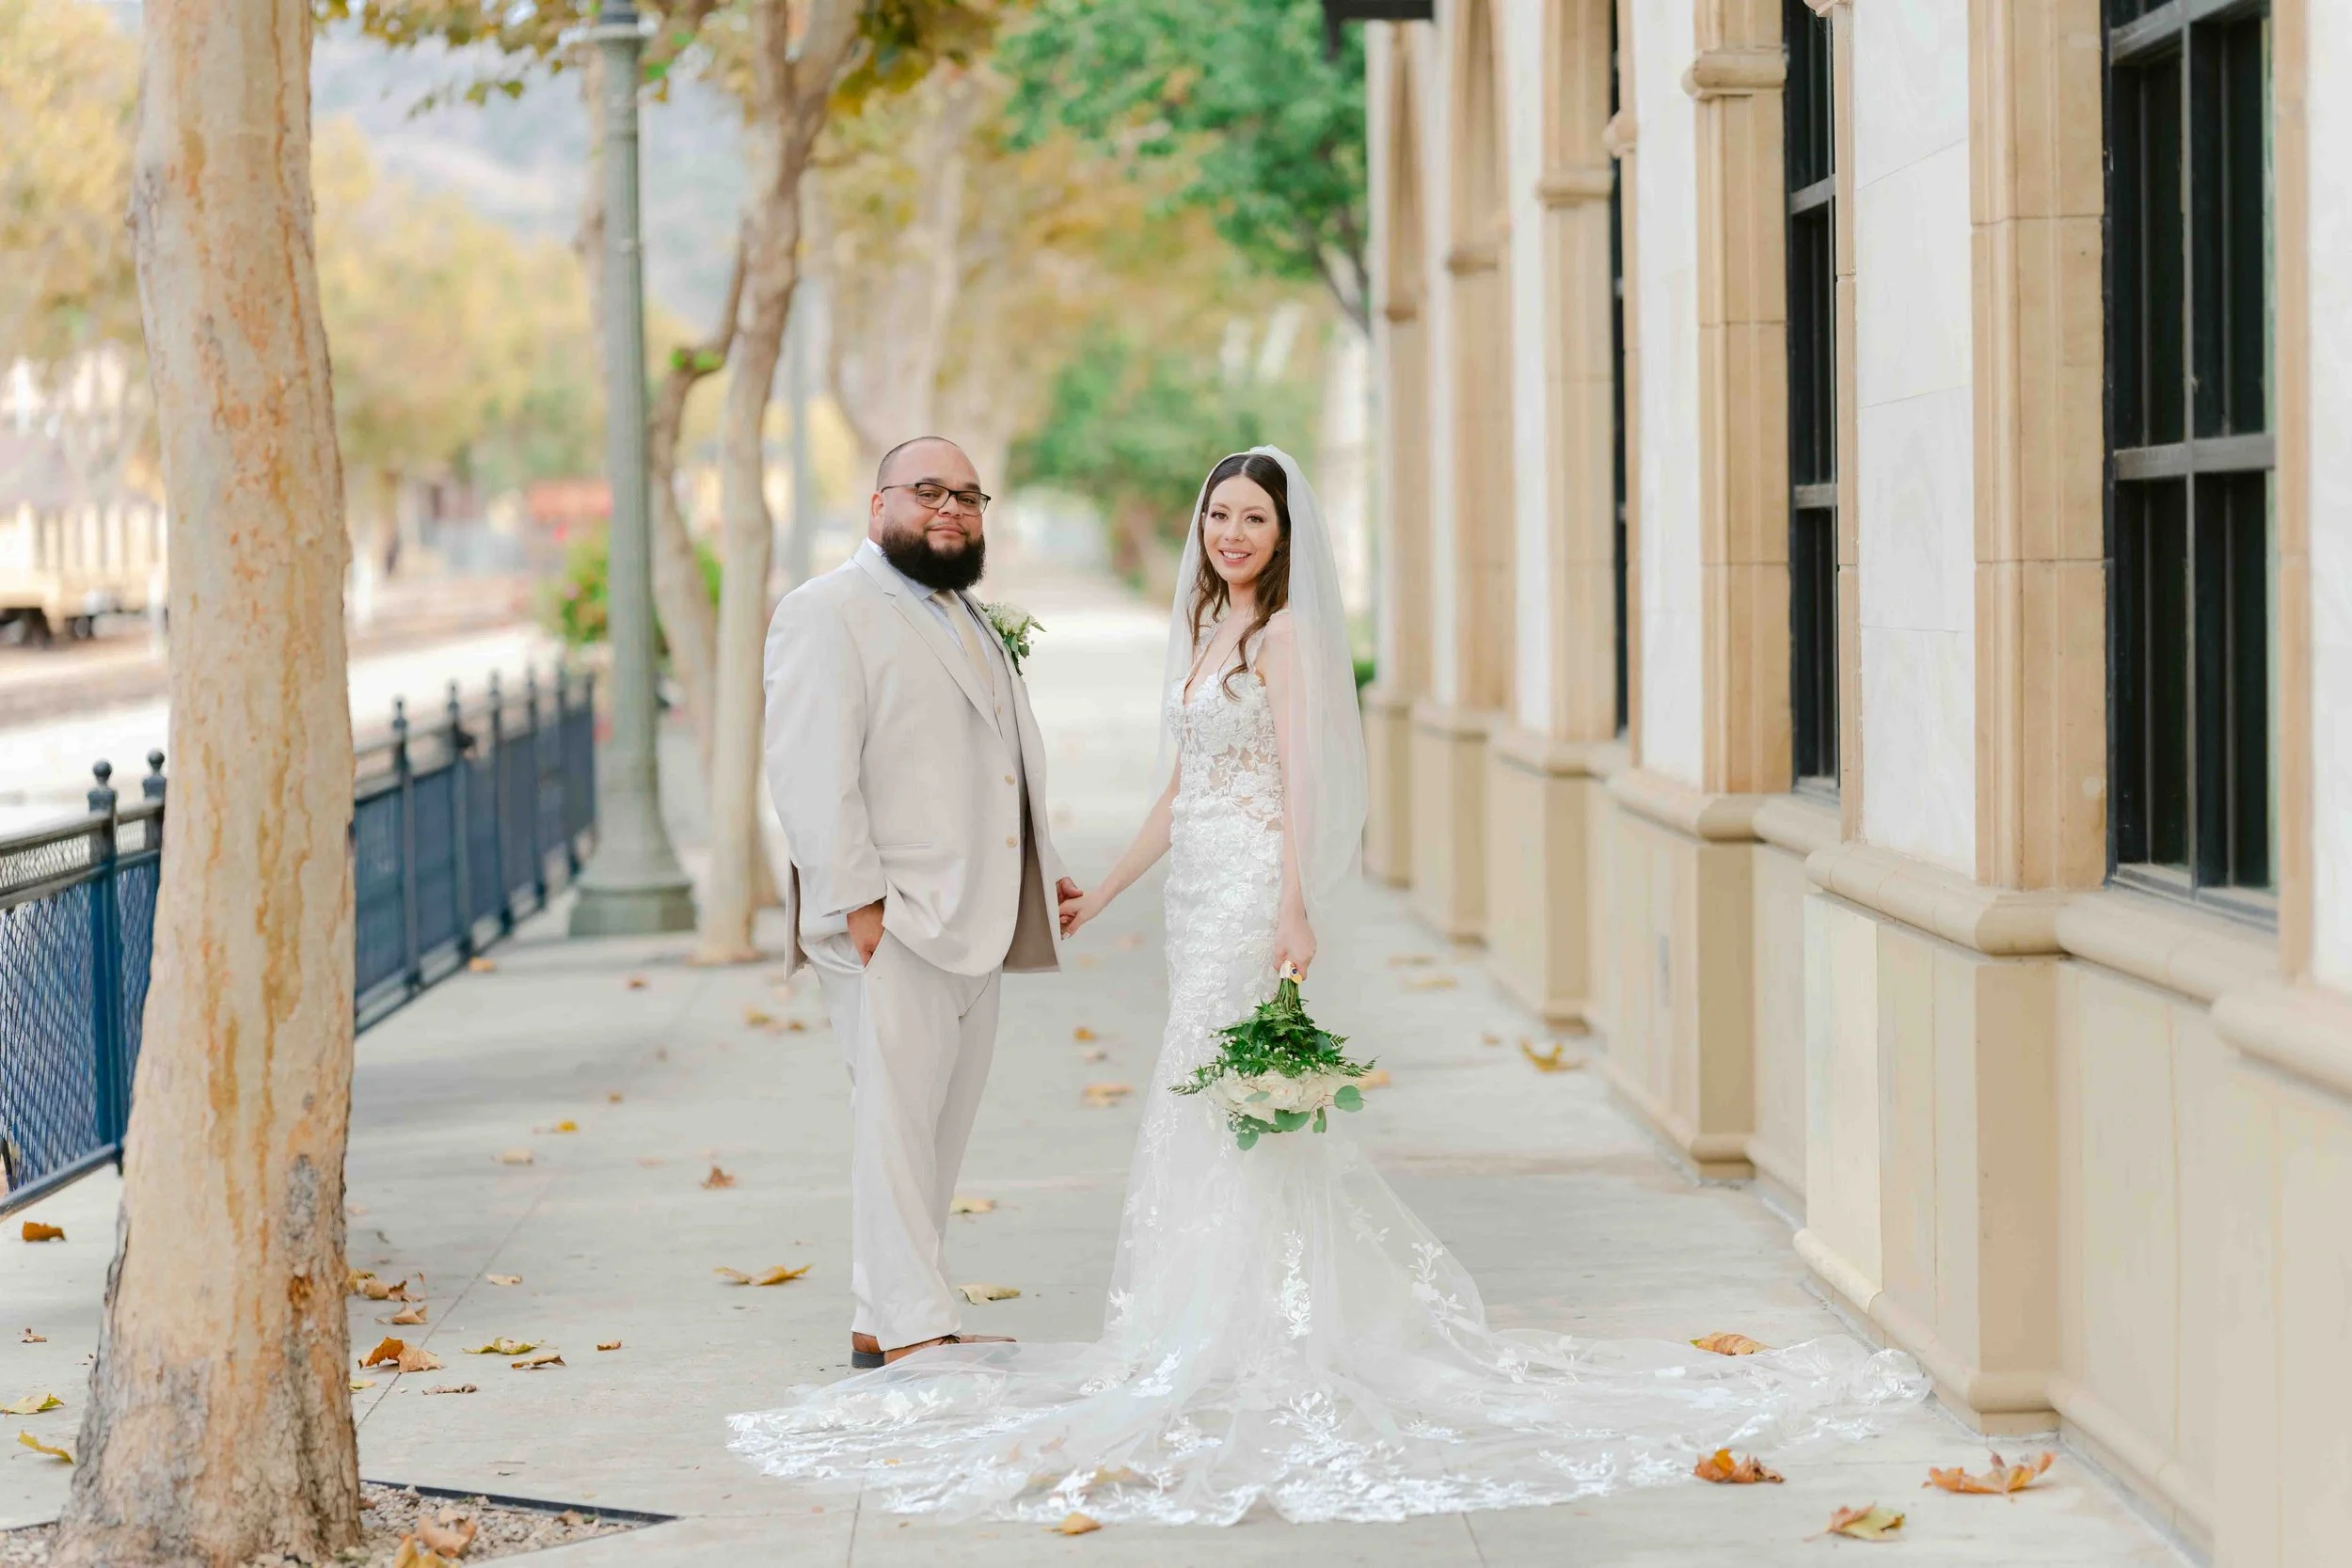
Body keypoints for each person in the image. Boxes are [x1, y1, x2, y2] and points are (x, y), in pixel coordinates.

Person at [733, 447, 1922, 1524]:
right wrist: (1103, 890)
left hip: (1253, 897)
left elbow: (1298, 780)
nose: (1231, 533)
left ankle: (1251, 1319)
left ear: (1286, 532)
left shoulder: (1287, 637)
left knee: (1228, 1103)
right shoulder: (1194, 631)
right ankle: (1113, 1316)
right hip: (1181, 897)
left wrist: (1297, 899)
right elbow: (1178, 787)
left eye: (1252, 516)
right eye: (1217, 514)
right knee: (1166, 1099)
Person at [760, 435, 1078, 1370]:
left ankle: (888, 1309)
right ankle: (910, 1327)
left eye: (969, 496)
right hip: (889, 915)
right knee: (896, 1124)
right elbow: (811, 771)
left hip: (971, 914)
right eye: (928, 491)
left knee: (934, 1126)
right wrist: (861, 908)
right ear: (877, 505)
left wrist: (1038, 865)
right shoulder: (827, 611)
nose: (951, 510)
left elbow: (998, 757)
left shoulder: (965, 613)